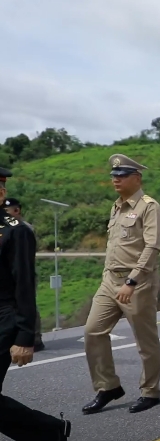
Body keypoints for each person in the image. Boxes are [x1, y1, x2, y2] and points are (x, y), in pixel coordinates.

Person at [82, 154, 160, 415]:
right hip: (110, 280)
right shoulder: (116, 207)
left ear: (137, 178)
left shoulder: (149, 207)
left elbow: (152, 247)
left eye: (122, 175)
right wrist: (109, 276)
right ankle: (107, 386)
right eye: (114, 175)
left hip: (137, 283)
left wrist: (132, 280)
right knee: (93, 331)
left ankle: (150, 391)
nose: (116, 180)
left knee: (145, 341)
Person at [0, 166, 72, 441]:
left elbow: (25, 285)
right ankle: (49, 431)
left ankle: (48, 431)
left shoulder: (15, 231)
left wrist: (25, 336)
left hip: (5, 317)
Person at [2, 197, 43, 352]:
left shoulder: (23, 229)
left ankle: (34, 337)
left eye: (7, 212)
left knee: (26, 303)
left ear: (17, 211)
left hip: (23, 273)